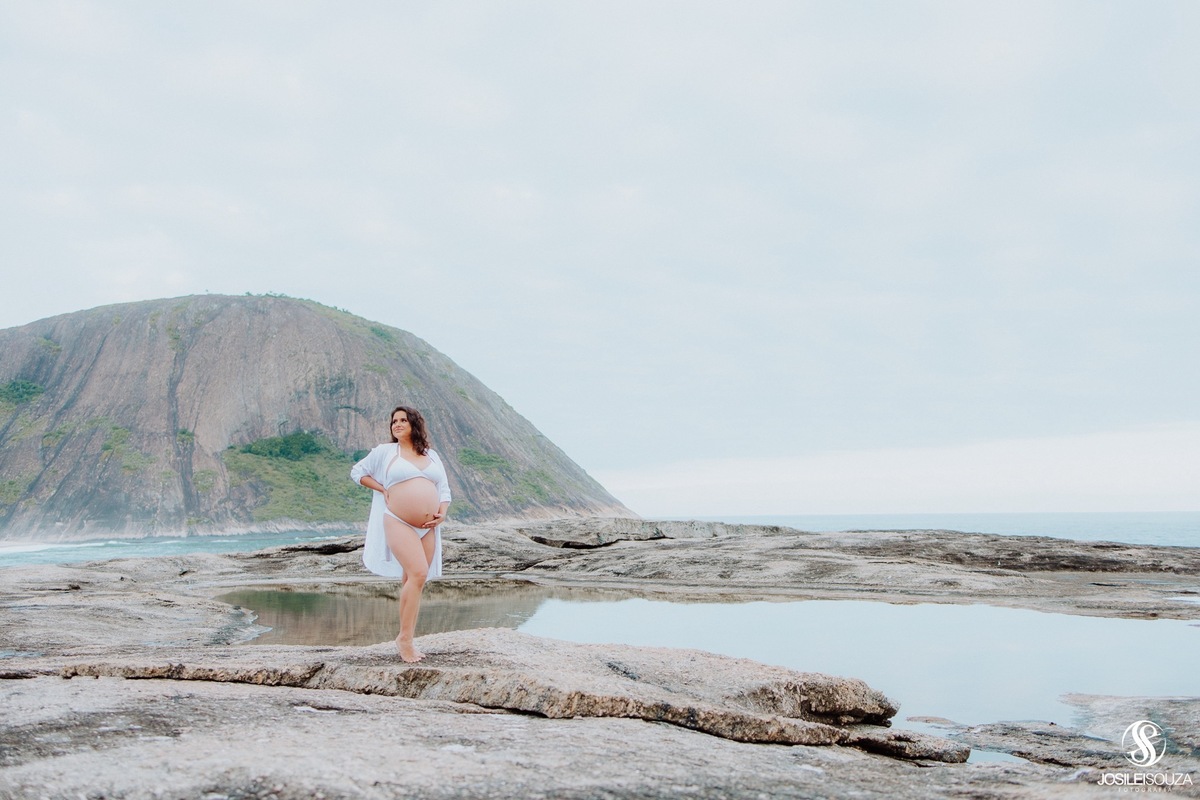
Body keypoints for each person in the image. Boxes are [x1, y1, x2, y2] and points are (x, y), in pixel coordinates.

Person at [350, 405, 451, 662]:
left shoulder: (431, 455)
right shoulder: (385, 452)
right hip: (398, 521)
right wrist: (382, 489)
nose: (397, 424)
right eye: (394, 421)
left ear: (414, 424)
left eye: (403, 420)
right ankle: (403, 639)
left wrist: (442, 511)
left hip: (428, 527)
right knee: (418, 573)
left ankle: (408, 637)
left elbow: (444, 489)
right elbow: (357, 472)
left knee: (415, 581)